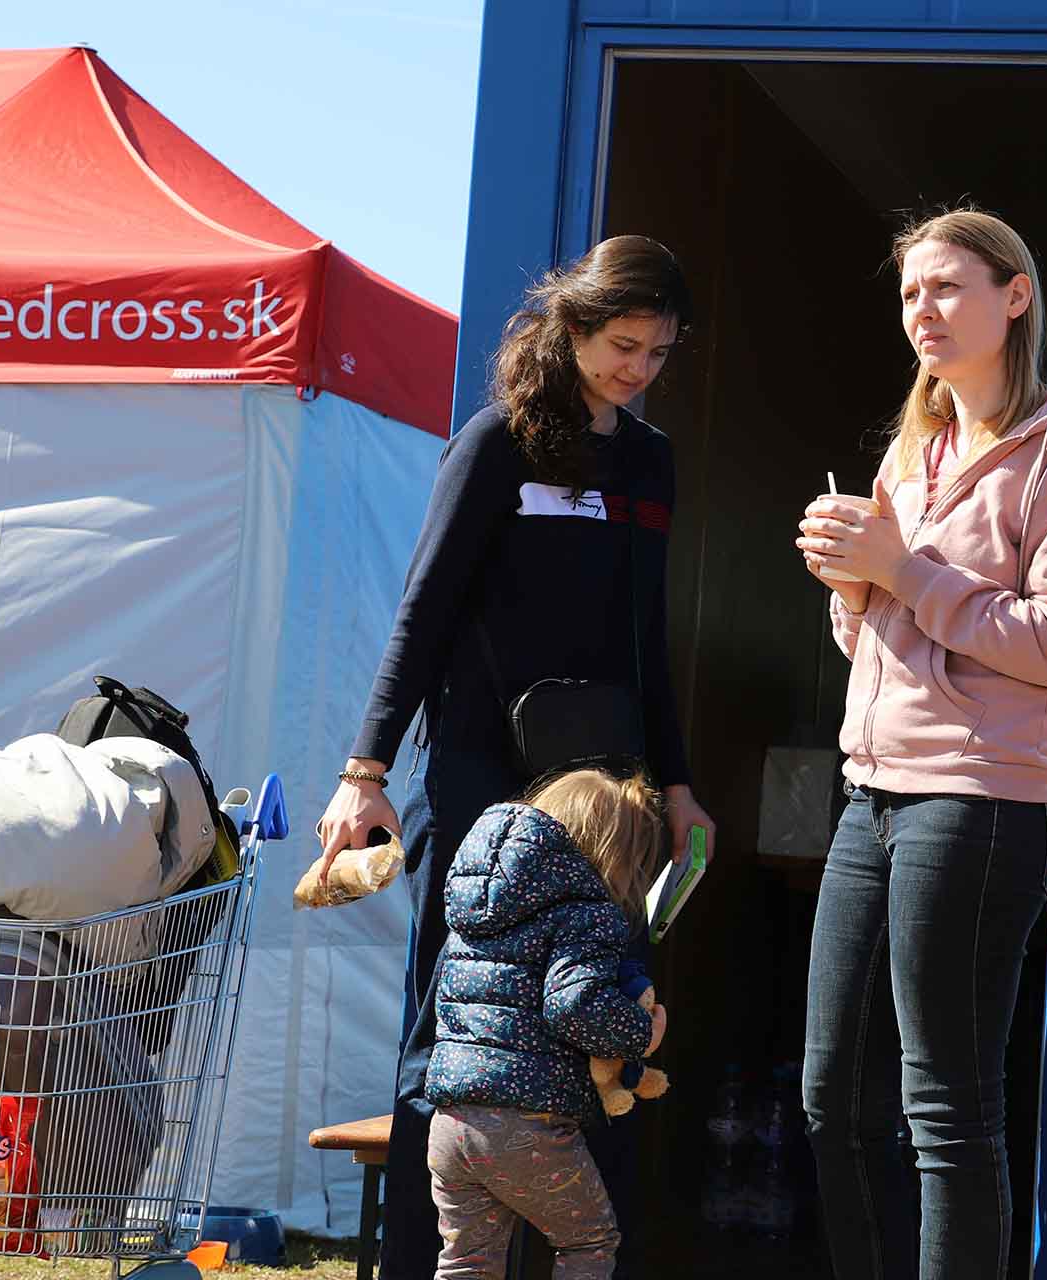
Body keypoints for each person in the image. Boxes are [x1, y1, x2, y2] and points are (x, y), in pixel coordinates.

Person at [314, 234, 715, 1278]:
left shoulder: (652, 461)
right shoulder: (500, 444)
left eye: (659, 352)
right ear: (573, 326)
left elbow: (647, 641)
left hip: (604, 796)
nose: (638, 367)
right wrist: (366, 769)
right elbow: (422, 614)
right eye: (624, 343)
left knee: (603, 1030)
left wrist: (675, 786)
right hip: (484, 782)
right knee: (453, 1045)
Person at [792, 207, 1047, 1278]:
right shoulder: (912, 448)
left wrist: (906, 572)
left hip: (982, 801)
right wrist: (853, 586)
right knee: (827, 1089)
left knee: (945, 1102)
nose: (920, 311)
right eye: (906, 294)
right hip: (872, 787)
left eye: (944, 287)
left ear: (1012, 295)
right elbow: (875, 638)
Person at [425, 768, 669, 1279]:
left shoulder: (474, 908)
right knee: (589, 1242)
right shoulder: (587, 913)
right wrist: (642, 1032)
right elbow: (574, 1005)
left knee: (467, 1261)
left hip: (450, 1123)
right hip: (524, 1125)